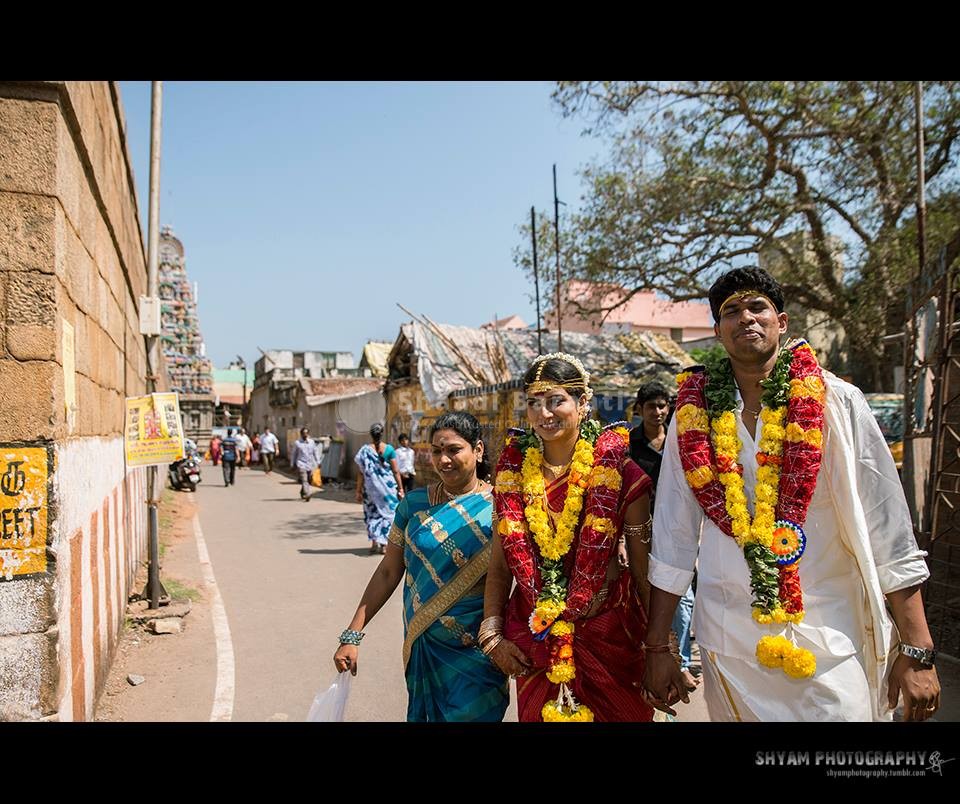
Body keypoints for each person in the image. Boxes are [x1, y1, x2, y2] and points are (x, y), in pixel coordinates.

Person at [644, 266, 940, 722]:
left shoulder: (837, 403)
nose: (747, 317)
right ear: (719, 333)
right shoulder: (692, 420)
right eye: (731, 311)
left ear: (782, 322)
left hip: (831, 636)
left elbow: (887, 527)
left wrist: (918, 648)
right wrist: (659, 646)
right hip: (730, 640)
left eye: (757, 306)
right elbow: (672, 536)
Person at [483, 353, 655, 722]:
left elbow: (643, 570)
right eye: (532, 402)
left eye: (555, 400)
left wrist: (662, 646)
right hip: (536, 635)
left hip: (609, 631)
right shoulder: (512, 476)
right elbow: (500, 565)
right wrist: (492, 634)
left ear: (583, 403)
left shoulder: (619, 472)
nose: (543, 413)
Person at [333, 412, 509, 722]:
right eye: (436, 451)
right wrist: (352, 634)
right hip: (425, 642)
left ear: (478, 450)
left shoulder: (502, 507)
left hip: (479, 651)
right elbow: (389, 571)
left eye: (453, 449)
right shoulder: (413, 506)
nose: (443, 460)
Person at [629, 380, 699, 694]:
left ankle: (681, 662)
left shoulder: (680, 438)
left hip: (679, 533)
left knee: (683, 601)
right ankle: (647, 658)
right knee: (643, 597)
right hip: (639, 534)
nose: (657, 412)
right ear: (639, 410)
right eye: (650, 406)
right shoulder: (629, 444)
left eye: (662, 405)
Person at [355, 423, 404, 555]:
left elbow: (360, 473)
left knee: (372, 515)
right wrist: (401, 489)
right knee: (387, 516)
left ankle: (374, 543)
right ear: (382, 434)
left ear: (371, 435)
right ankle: (383, 544)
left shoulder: (364, 451)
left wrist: (358, 490)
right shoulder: (389, 449)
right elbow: (395, 471)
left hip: (370, 491)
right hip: (387, 491)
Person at [289, 427, 321, 502]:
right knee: (304, 479)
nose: (305, 435)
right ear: (301, 434)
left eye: (306, 433)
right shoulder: (297, 443)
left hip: (310, 464)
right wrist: (292, 464)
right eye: (303, 433)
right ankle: (307, 494)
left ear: (308, 434)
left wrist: (318, 462)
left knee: (309, 480)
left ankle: (303, 491)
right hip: (301, 464)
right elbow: (294, 454)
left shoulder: (312, 442)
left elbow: (315, 452)